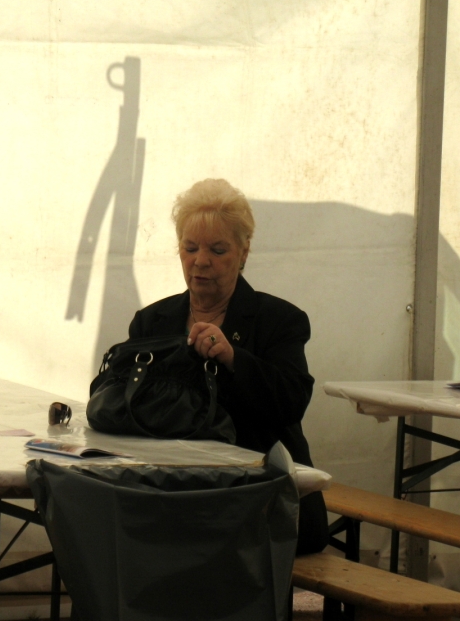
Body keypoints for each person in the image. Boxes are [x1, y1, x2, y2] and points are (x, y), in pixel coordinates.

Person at [126, 178, 328, 554]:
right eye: (190, 248)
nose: (201, 260)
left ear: (243, 251)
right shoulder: (151, 322)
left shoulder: (280, 320)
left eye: (217, 250)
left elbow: (291, 402)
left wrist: (234, 358)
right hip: (173, 497)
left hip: (261, 503)